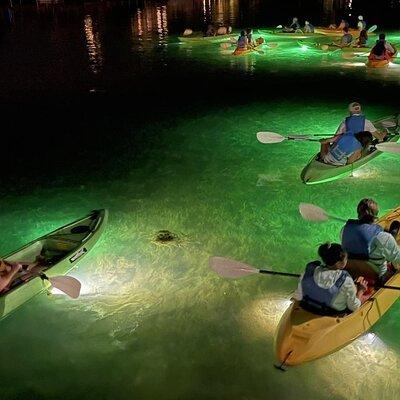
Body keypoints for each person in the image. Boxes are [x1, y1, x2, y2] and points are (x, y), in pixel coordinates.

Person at [293, 243, 368, 315]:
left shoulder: (310, 269)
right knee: (360, 297)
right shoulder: (346, 280)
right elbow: (354, 307)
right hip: (330, 312)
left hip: (308, 305)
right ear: (339, 262)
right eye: (346, 258)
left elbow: (299, 293)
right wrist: (360, 291)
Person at [341, 199, 400, 280]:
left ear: (358, 214)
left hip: (353, 269)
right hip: (377, 274)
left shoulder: (344, 229)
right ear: (375, 216)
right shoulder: (382, 237)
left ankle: (391, 239)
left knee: (384, 244)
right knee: (387, 245)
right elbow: (398, 259)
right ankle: (392, 238)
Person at [320, 102, 386, 146]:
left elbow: (336, 138)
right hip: (360, 147)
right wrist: (384, 133)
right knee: (378, 137)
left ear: (350, 111)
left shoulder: (344, 123)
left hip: (346, 145)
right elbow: (379, 137)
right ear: (360, 110)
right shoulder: (367, 122)